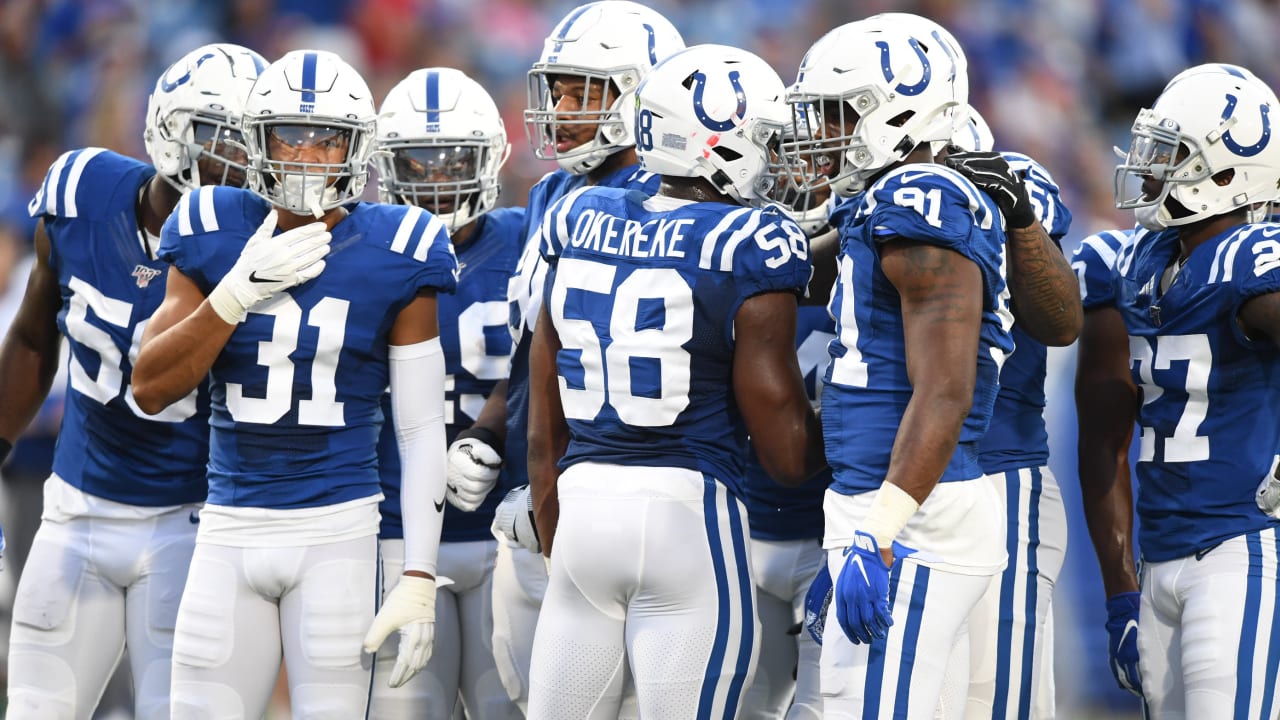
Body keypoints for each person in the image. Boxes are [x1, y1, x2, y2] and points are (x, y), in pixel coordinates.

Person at [130, 49, 458, 717]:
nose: (306, 155)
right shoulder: (211, 226)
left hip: (339, 531)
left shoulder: (401, 245)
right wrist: (231, 298)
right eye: (289, 135)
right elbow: (150, 387)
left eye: (325, 138)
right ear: (256, 141)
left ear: (356, 148)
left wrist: (419, 573)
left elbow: (422, 428)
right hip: (227, 526)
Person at [525, 42, 825, 718]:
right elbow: (786, 457)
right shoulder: (747, 243)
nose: (775, 157)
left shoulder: (577, 215)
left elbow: (542, 410)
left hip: (581, 512)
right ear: (722, 140)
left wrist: (553, 525)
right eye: (765, 139)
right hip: (690, 518)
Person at [0, 42, 264, 720]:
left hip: (194, 524)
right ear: (170, 129)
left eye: (249, 141)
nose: (238, 158)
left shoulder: (258, 242)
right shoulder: (79, 193)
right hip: (77, 512)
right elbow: (34, 333)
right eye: (220, 137)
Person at [443, 2, 685, 714]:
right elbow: (534, 346)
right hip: (541, 496)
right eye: (561, 90)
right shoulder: (554, 191)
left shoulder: (672, 198)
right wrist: (493, 430)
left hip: (621, 504)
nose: (567, 110)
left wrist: (556, 493)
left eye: (590, 92)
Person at [783, 17, 1015, 717]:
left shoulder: (922, 199)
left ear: (897, 110)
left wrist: (877, 531)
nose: (818, 129)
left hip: (914, 511)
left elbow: (945, 389)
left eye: (836, 111)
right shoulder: (879, 200)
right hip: (886, 499)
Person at [1077, 62, 1280, 718]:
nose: (1149, 166)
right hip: (1159, 558)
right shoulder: (1134, 261)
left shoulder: (1250, 260)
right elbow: (1103, 434)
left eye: (1171, 153)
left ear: (1227, 170)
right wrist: (1119, 595)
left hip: (1241, 550)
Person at [370, 65, 524, 719]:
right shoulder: (363, 246)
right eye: (418, 160)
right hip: (395, 534)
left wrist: (500, 431)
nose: (438, 177)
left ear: (490, 157)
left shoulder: (527, 237)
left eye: (454, 158)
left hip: (508, 533)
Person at [943, 112, 1079, 719]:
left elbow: (1059, 320)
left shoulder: (1006, 184)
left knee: (996, 701)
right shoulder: (866, 201)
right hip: (902, 485)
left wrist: (1018, 216)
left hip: (1000, 478)